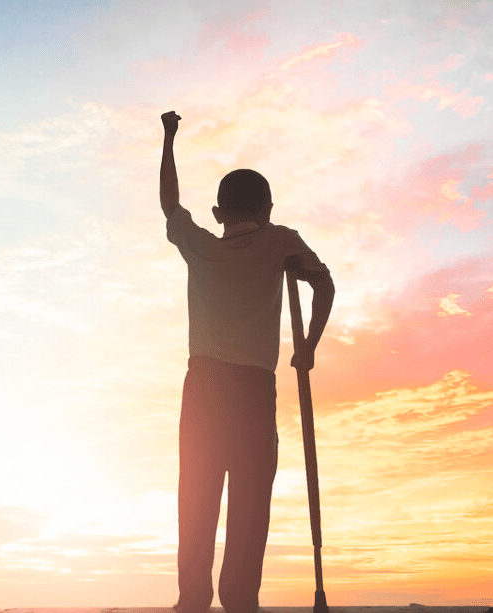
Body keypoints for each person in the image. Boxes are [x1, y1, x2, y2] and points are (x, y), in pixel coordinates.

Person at [160, 110, 335, 613]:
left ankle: (192, 599)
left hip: (204, 388)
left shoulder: (199, 245)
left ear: (218, 213)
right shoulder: (281, 239)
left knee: (196, 494)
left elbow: (169, 202)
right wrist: (308, 348)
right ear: (268, 207)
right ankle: (240, 601)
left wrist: (169, 141)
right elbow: (323, 283)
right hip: (253, 390)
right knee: (250, 502)